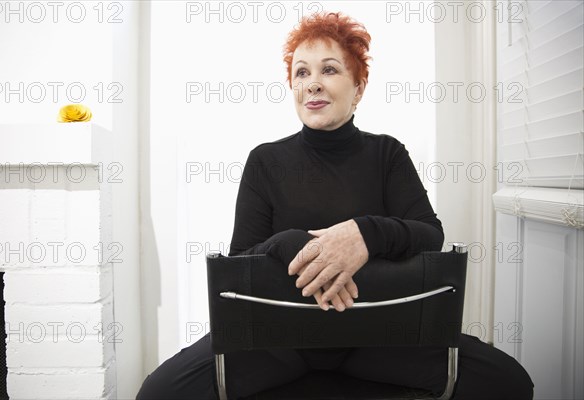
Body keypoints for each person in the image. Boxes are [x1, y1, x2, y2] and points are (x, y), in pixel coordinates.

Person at [137, 12, 534, 399]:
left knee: (508, 382)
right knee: (159, 392)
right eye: (301, 73)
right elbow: (242, 264)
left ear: (358, 87)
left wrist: (363, 233)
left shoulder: (387, 154)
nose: (313, 84)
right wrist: (291, 243)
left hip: (378, 341)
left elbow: (429, 235)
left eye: (329, 70)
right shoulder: (265, 161)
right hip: (281, 345)